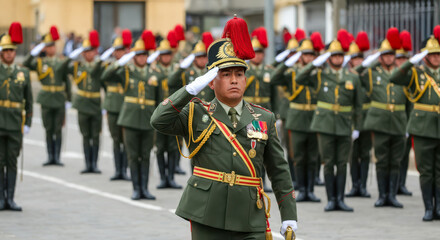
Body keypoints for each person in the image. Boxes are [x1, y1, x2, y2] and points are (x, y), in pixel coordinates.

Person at [151, 16, 297, 239]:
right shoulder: (195, 112)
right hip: (207, 213)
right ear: (211, 81)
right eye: (225, 74)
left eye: (239, 74)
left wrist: (289, 215)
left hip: (250, 215)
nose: (234, 80)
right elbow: (159, 120)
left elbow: (279, 171)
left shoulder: (264, 118)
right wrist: (190, 90)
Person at [296, 30, 363, 212]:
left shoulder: (353, 77)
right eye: (334, 56)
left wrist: (357, 127)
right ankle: (330, 199)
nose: (337, 59)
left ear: (344, 57)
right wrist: (313, 64)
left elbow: (358, 105)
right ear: (328, 58)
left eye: (340, 55)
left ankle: (340, 199)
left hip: (344, 125)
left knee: (341, 164)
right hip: (325, 125)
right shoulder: (320, 75)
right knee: (328, 163)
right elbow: (299, 78)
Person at [389, 25, 440, 221]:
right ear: (425, 56)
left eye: (438, 54)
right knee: (426, 171)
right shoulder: (416, 73)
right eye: (432, 55)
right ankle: (429, 208)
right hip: (422, 128)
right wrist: (410, 62)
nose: (436, 58)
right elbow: (394, 77)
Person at [101, 30, 158, 200]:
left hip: (148, 120)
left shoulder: (154, 74)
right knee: (133, 156)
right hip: (130, 119)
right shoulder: (126, 72)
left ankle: (145, 189)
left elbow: (159, 99)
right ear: (133, 57)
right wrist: (119, 63)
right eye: (138, 55)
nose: (141, 58)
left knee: (146, 155)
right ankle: (136, 188)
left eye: (144, 55)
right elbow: (105, 76)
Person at [358, 28, 408, 208]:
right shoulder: (373, 73)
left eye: (391, 55)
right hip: (379, 123)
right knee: (381, 160)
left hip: (399, 122)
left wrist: (408, 124)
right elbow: (358, 70)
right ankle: (382, 195)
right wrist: (372, 59)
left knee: (395, 160)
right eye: (385, 55)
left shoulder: (403, 73)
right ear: (380, 57)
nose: (388, 58)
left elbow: (410, 101)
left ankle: (392, 195)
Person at [271, 35, 323, 203]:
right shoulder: (291, 72)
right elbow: (274, 78)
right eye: (305, 55)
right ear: (300, 56)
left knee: (313, 156)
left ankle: (310, 190)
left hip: (314, 117)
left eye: (311, 55)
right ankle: (301, 189)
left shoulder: (319, 73)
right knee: (299, 157)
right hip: (297, 118)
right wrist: (287, 62)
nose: (308, 58)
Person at [23, 26, 72, 167]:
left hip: (58, 98)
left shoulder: (61, 62)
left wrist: (68, 99)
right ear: (44, 48)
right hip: (45, 98)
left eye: (52, 46)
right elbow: (25, 64)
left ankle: (57, 156)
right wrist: (35, 51)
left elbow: (66, 80)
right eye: (48, 46)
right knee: (48, 128)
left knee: (58, 128)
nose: (51, 49)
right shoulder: (39, 63)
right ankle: (50, 156)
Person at [0, 22, 33, 211]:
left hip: (14, 124)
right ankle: (0, 197)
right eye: (6, 50)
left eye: (12, 50)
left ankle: (10, 198)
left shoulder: (24, 73)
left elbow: (28, 101)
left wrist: (27, 123)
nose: (9, 54)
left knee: (12, 160)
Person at [67, 30, 105, 174]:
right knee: (85, 135)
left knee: (95, 136)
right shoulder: (77, 66)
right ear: (82, 53)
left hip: (95, 104)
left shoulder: (100, 67)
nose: (89, 54)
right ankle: (87, 163)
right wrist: (73, 53)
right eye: (86, 52)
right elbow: (63, 66)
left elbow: (105, 84)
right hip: (82, 104)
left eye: (91, 51)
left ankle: (94, 164)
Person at [100, 29, 132, 181]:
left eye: (121, 50)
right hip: (113, 107)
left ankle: (124, 170)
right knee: (115, 140)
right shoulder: (110, 66)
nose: (119, 53)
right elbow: (104, 78)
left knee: (125, 141)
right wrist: (117, 64)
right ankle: (117, 169)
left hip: (125, 107)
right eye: (116, 51)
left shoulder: (129, 67)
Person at [150, 36, 182, 189]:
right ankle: (163, 177)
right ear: (159, 56)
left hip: (174, 113)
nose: (166, 57)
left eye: (168, 54)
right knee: (160, 148)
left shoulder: (177, 69)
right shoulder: (154, 71)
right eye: (163, 55)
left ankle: (171, 177)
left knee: (173, 147)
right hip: (160, 113)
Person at [344, 32, 373, 198]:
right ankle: (354, 185)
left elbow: (369, 91)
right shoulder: (348, 75)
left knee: (365, 153)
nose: (358, 62)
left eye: (360, 59)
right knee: (353, 154)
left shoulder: (367, 74)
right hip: (352, 118)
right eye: (355, 59)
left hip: (366, 118)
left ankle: (363, 185)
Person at [394, 30, 413, 196]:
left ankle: (402, 183)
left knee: (405, 155)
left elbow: (410, 102)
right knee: (395, 157)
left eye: (404, 59)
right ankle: (395, 185)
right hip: (395, 121)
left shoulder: (410, 75)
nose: (401, 61)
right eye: (398, 58)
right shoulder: (396, 76)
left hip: (407, 120)